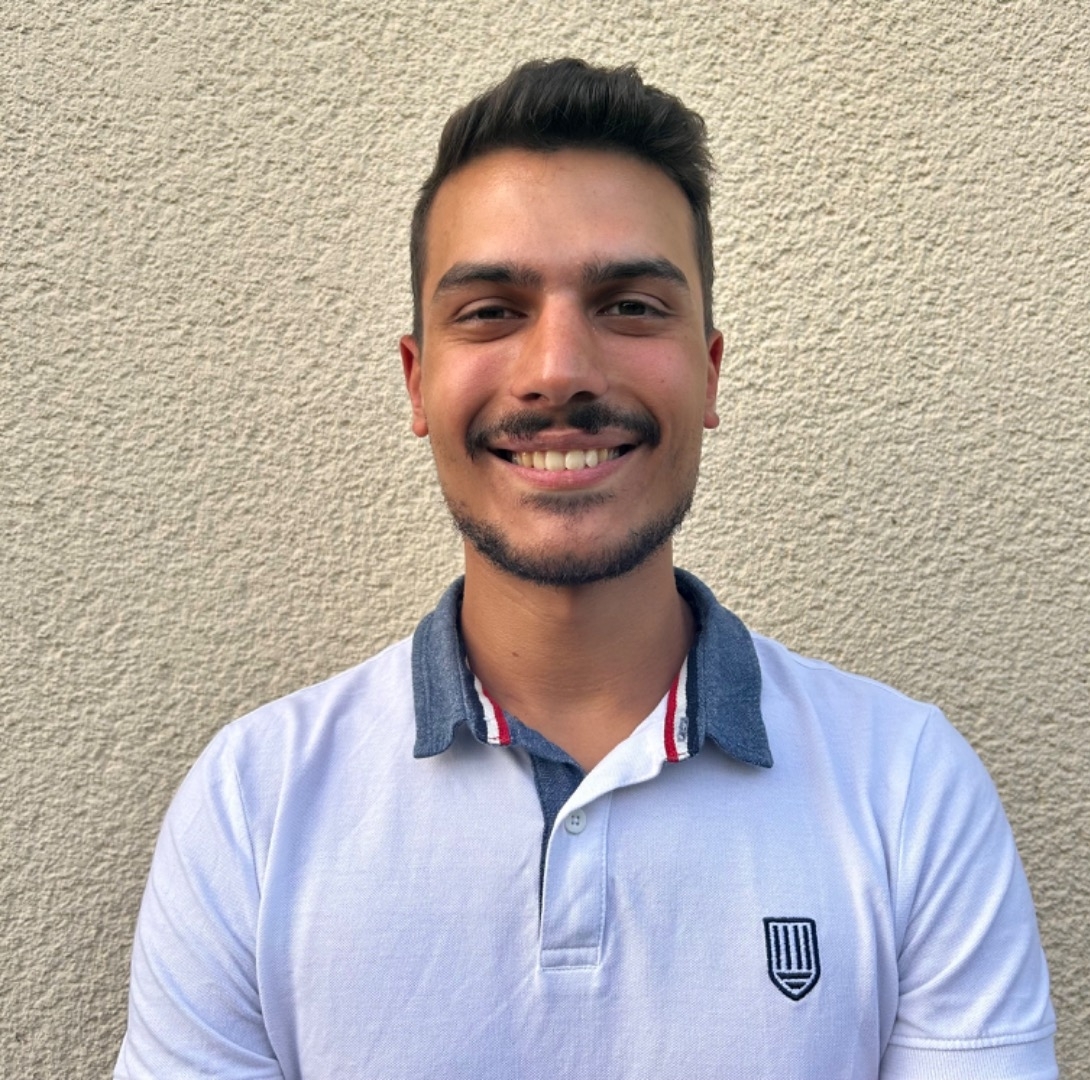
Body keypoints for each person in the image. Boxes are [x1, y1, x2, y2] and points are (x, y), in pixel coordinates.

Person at [115, 59, 1057, 1079]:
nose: (559, 369)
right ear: (418, 382)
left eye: (631, 305)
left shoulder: (907, 788)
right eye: (491, 310)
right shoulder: (254, 805)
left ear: (708, 373)